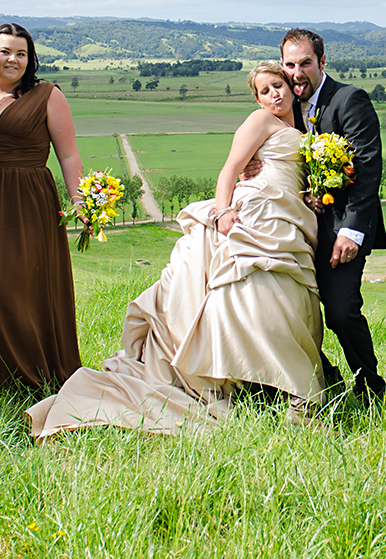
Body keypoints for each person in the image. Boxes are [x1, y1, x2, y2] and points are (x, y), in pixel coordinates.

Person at [27, 62, 323, 436]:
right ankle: (264, 381)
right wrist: (223, 212)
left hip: (288, 214)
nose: (274, 94)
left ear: (290, 86)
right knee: (253, 292)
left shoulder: (302, 129)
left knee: (291, 296)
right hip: (257, 212)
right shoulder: (260, 120)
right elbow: (230, 169)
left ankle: (273, 379)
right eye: (264, 91)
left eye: (277, 85)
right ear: (257, 99)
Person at [0, 23, 83, 390]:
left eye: (21, 53)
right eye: (5, 51)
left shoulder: (47, 95)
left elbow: (68, 154)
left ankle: (27, 374)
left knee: (12, 286)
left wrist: (81, 202)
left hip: (27, 201)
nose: (13, 59)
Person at [280, 29, 386, 401]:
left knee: (341, 311)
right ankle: (326, 380)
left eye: (305, 63)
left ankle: (371, 389)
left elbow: (368, 168)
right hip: (295, 227)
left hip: (340, 226)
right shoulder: (282, 105)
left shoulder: (348, 100)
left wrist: (352, 231)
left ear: (322, 62)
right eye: (290, 64)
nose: (297, 73)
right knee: (286, 308)